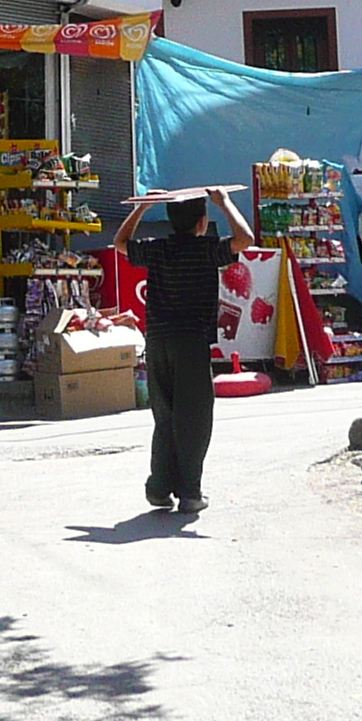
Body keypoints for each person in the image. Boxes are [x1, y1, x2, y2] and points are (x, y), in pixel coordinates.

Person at [107, 187, 252, 515]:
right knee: (194, 418)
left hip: (157, 342)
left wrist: (143, 207)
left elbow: (120, 243)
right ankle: (190, 491)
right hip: (190, 343)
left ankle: (159, 487)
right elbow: (245, 238)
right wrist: (225, 202)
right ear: (202, 222)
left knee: (165, 416)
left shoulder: (158, 248)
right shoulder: (206, 249)